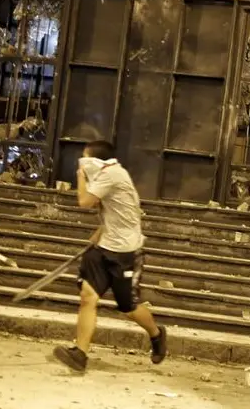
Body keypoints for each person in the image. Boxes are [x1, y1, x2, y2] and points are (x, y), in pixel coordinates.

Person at [52, 140, 167, 372]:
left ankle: (156, 334)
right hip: (104, 247)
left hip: (125, 252)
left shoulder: (113, 175)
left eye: (84, 159)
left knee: (128, 307)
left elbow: (84, 201)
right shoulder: (107, 176)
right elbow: (115, 211)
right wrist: (100, 232)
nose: (81, 163)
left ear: (94, 161)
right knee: (88, 296)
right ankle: (80, 354)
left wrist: (80, 176)